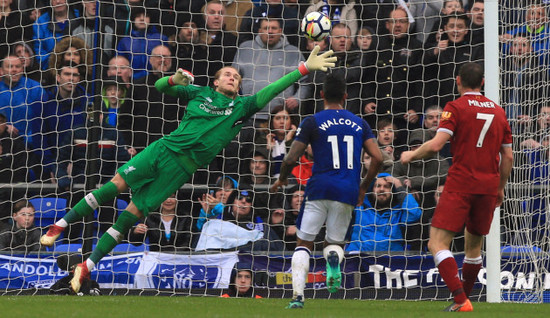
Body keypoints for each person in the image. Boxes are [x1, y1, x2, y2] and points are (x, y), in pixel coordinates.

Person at [40, 45, 336, 294]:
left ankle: (85, 267)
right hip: (162, 149)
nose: (233, 77)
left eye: (236, 76)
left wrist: (304, 68)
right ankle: (60, 225)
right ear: (216, 82)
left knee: (133, 213)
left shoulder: (241, 107)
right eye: (227, 75)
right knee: (114, 185)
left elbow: (272, 89)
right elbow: (158, 87)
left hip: (180, 169)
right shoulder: (199, 93)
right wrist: (173, 79)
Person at [400, 62, 513, 312]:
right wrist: (500, 187)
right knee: (473, 246)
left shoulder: (456, 107)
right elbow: (509, 157)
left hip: (461, 182)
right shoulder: (499, 111)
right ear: (482, 83)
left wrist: (411, 155)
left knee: (437, 243)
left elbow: (437, 144)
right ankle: (464, 299)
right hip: (488, 185)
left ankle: (461, 299)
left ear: (458, 81)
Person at [270, 73, 383, 308]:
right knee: (334, 242)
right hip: (347, 190)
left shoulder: (313, 121)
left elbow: (291, 158)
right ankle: (333, 258)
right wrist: (363, 186)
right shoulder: (359, 123)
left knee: (304, 243)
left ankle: (298, 297)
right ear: (345, 96)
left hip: (319, 187)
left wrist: (281, 178)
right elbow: (379, 157)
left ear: (321, 95)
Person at [232, 17, 307, 124]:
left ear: (280, 31)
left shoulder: (293, 52)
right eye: (266, 28)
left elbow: (305, 81)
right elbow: (233, 76)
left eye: (274, 28)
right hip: (248, 115)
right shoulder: (245, 48)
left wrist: (297, 98)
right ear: (259, 31)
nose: (270, 31)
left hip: (281, 118)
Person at [346, 173, 422, 252]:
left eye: (386, 187)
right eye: (378, 186)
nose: (381, 189)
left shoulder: (399, 212)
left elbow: (414, 214)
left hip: (390, 260)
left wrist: (399, 186)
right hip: (359, 257)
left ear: (393, 191)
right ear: (372, 189)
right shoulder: (359, 207)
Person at [129, 193, 193, 252]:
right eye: (165, 197)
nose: (168, 200)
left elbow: (188, 242)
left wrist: (171, 256)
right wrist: (136, 232)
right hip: (157, 258)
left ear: (177, 199)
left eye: (172, 197)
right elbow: (136, 243)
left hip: (180, 258)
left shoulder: (186, 218)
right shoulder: (149, 217)